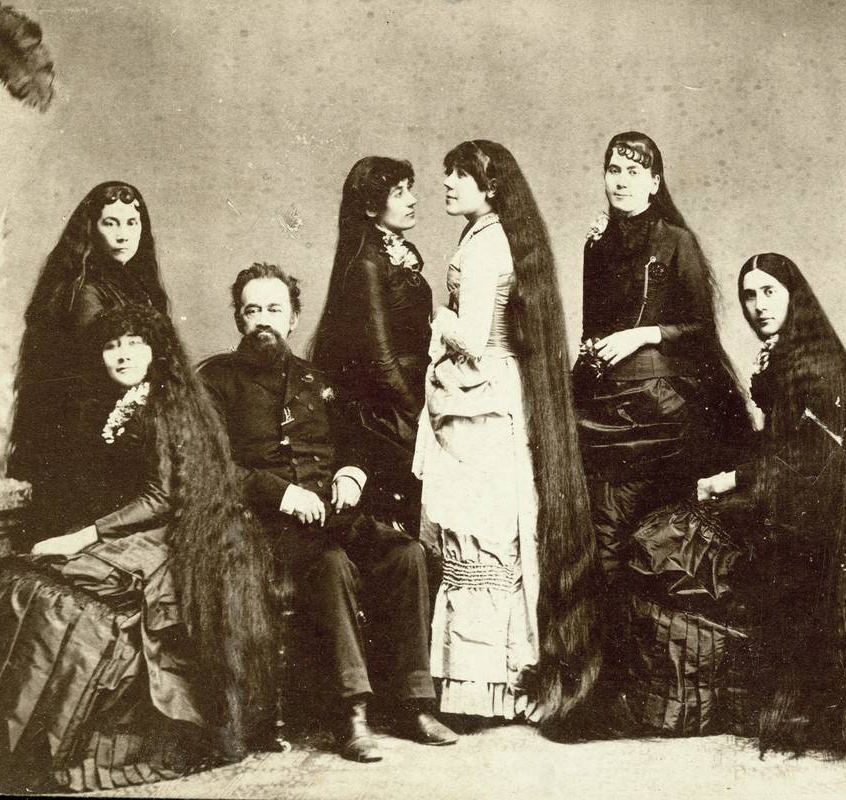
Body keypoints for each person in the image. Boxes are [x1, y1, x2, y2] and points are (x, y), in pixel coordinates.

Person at [0, 305, 275, 792]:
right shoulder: (123, 402)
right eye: (111, 345)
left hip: (187, 537)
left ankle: (52, 746)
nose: (121, 355)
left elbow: (162, 497)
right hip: (141, 530)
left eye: (133, 343)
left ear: (156, 349)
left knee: (75, 609)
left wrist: (83, 537)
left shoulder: (168, 404)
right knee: (26, 580)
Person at [199, 262, 456, 763]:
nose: (263, 320)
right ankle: (352, 714)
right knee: (331, 563)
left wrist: (351, 474)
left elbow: (355, 444)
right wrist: (280, 493)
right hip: (261, 528)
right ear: (238, 319)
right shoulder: (216, 381)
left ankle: (412, 702)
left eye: (275, 309)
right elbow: (210, 468)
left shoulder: (317, 379)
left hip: (330, 518)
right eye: (253, 311)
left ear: (294, 317)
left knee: (406, 554)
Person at [414, 140, 602, 733]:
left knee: (480, 535)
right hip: (487, 394)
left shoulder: (488, 244)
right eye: (446, 174)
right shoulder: (486, 236)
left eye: (458, 176)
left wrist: (429, 312)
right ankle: (486, 684)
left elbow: (470, 334)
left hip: (482, 400)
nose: (445, 183)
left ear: (490, 187)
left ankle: (482, 691)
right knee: (485, 533)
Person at [695, 253, 846, 753]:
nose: (758, 305)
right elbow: (781, 445)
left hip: (821, 497)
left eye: (769, 293)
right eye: (748, 294)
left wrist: (733, 480)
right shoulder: (781, 351)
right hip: (793, 482)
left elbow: (811, 455)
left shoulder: (809, 362)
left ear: (792, 296)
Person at [572, 131, 753, 582]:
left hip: (660, 410)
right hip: (604, 409)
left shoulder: (676, 242)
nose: (622, 181)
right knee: (601, 533)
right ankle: (612, 647)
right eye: (614, 170)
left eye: (634, 172)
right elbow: (592, 329)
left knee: (647, 535)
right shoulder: (596, 245)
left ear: (654, 183)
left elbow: (700, 329)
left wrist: (643, 335)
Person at [9, 181, 171, 540]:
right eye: (110, 223)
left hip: (130, 423)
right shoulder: (86, 290)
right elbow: (102, 373)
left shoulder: (135, 284)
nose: (123, 234)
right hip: (91, 437)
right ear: (91, 228)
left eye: (132, 223)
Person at [310, 157, 431, 531]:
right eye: (398, 193)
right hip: (389, 410)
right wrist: (419, 414)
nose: (411, 199)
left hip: (413, 390)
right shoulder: (366, 262)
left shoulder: (396, 252)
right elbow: (379, 359)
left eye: (409, 189)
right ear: (369, 207)